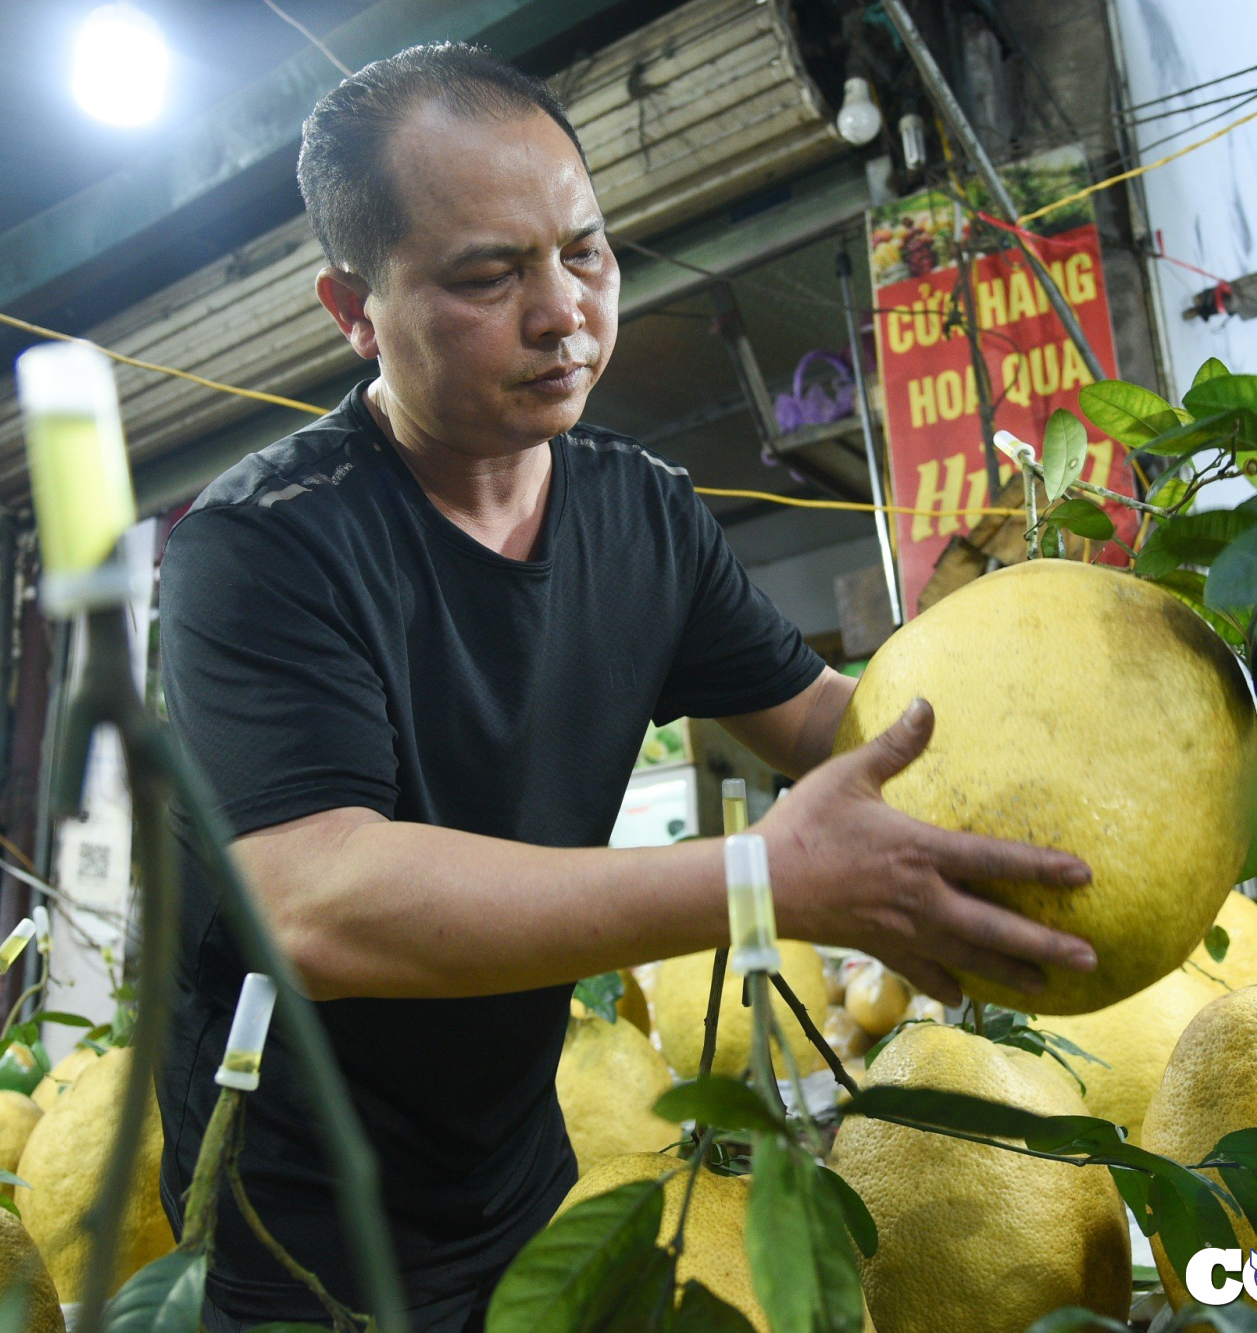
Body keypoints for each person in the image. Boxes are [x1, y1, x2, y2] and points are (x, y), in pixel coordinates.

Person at [156, 42, 1096, 1333]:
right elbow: (318, 901)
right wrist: (758, 878)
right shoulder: (263, 546)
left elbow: (840, 728)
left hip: (526, 1178)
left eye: (585, 251)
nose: (565, 312)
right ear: (353, 308)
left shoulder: (641, 515)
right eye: (491, 274)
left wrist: (1062, 715)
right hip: (299, 1234)